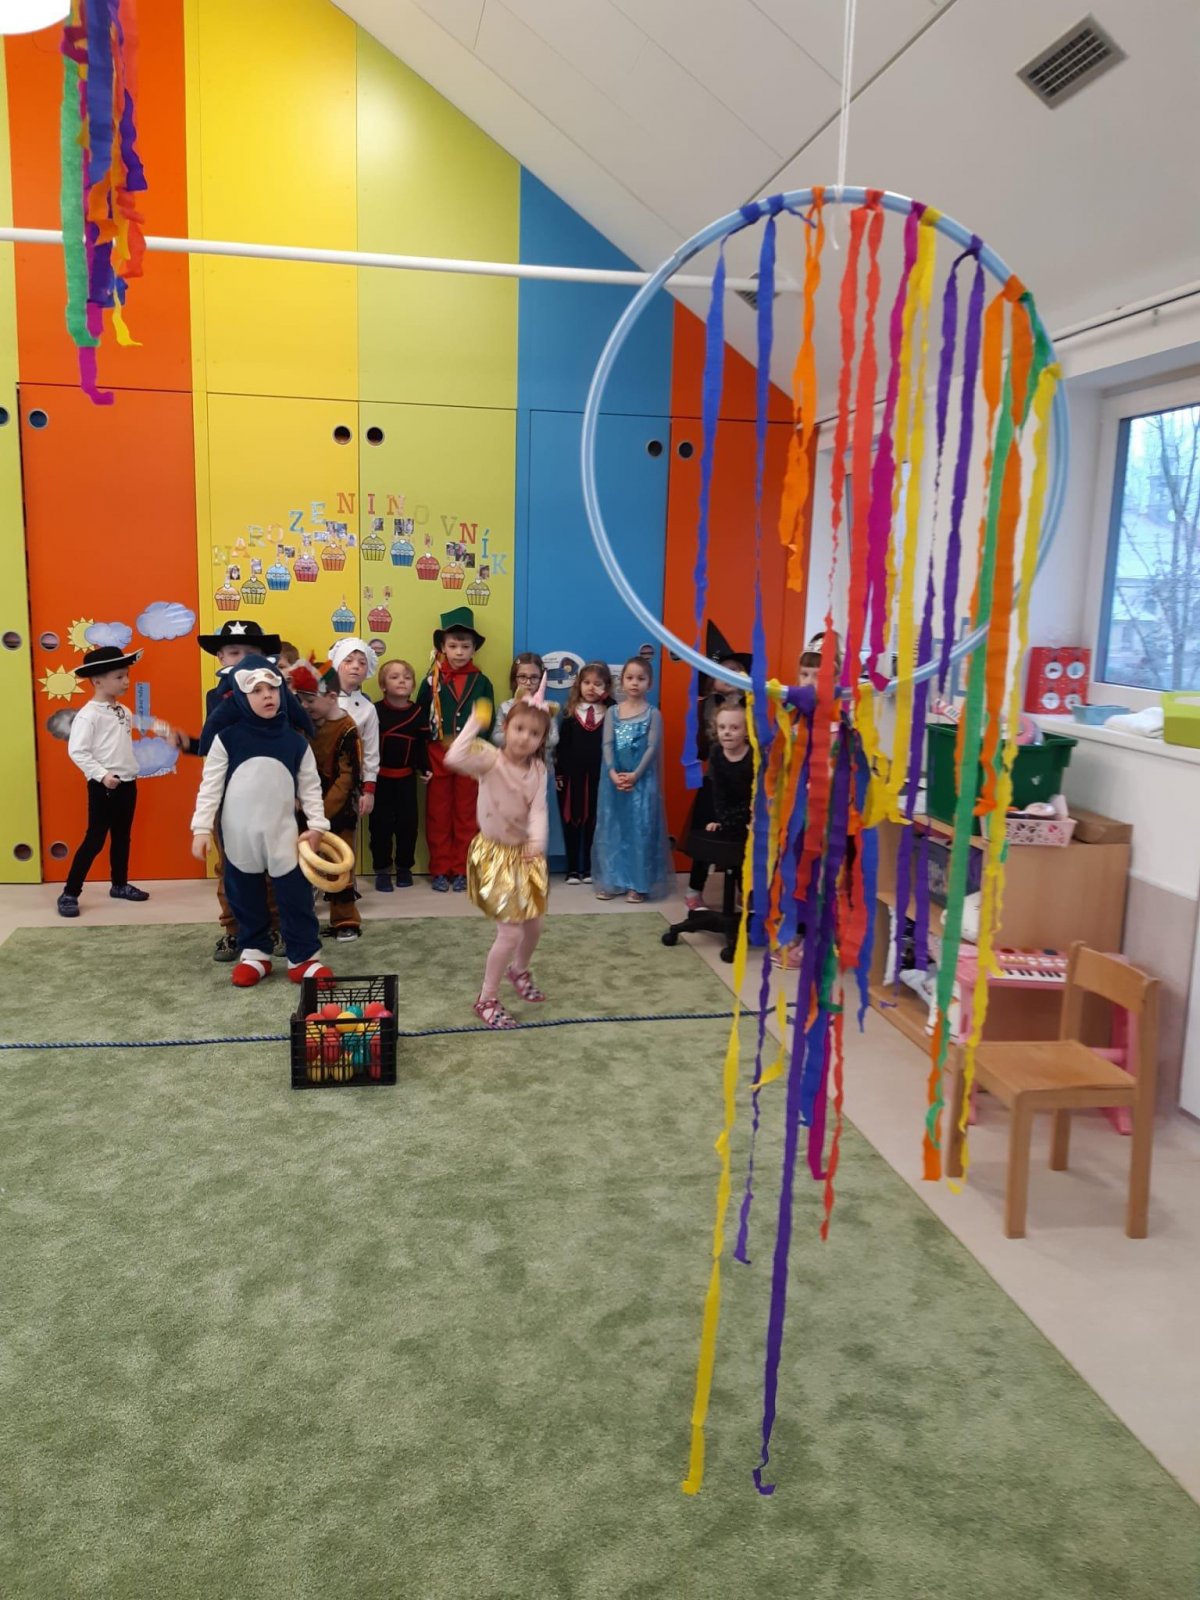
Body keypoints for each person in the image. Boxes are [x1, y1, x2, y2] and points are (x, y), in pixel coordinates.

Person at [190, 656, 333, 988]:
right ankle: (255, 953)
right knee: (244, 896)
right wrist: (201, 828)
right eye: (256, 690)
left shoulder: (295, 742)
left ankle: (304, 957)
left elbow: (310, 787)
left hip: (283, 834)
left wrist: (317, 826)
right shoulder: (226, 739)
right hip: (238, 836)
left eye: (272, 688)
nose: (267, 695)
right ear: (241, 697)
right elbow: (210, 786)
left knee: (295, 896)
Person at [182, 619, 312, 962]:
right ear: (221, 657)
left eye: (250, 652)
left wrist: (296, 790)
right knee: (232, 871)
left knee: (280, 867)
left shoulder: (276, 692)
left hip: (274, 796)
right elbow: (212, 746)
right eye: (234, 653)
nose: (242, 660)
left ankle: (277, 929)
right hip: (233, 800)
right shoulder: (217, 697)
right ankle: (236, 930)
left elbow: (295, 738)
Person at [446, 684, 552, 1030]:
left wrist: (537, 841)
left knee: (534, 926)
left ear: (542, 740)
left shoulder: (539, 771)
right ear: (505, 728)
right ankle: (486, 998)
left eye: (534, 733)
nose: (525, 738)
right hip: (495, 857)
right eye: (519, 728)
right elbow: (454, 758)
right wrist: (474, 724)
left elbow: (539, 810)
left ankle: (518, 970)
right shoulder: (489, 759)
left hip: (526, 857)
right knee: (510, 934)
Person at [57, 645, 154, 918]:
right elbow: (78, 751)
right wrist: (102, 775)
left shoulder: (123, 710)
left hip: (127, 784)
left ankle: (119, 884)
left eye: (127, 675)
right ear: (97, 681)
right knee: (95, 839)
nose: (126, 681)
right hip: (104, 787)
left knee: (122, 837)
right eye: (119, 677)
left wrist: (161, 728)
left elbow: (131, 730)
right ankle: (69, 892)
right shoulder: (88, 715)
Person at [417, 605, 494, 892]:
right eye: (453, 646)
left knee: (467, 814)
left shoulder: (482, 682)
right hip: (437, 755)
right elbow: (420, 720)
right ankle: (439, 868)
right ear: (443, 647)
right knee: (438, 815)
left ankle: (462, 869)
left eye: (465, 646)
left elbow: (487, 720)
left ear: (474, 649)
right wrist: (422, 759)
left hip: (470, 756)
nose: (459, 652)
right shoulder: (431, 680)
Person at [291, 663, 364, 940]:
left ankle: (345, 920)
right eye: (300, 700)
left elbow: (348, 778)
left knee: (339, 867)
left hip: (338, 812)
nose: (304, 706)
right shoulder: (301, 726)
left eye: (310, 700)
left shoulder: (347, 729)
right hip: (304, 809)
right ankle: (301, 920)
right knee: (301, 866)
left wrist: (320, 813)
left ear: (332, 697)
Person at [593, 657, 674, 903]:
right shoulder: (612, 712)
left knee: (640, 831)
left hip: (642, 782)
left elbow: (652, 747)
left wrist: (636, 774)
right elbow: (607, 744)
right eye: (630, 678)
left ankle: (638, 884)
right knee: (613, 829)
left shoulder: (653, 714)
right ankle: (613, 880)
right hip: (614, 782)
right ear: (622, 681)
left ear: (650, 683)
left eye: (641, 678)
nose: (635, 683)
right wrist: (612, 773)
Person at [493, 653, 562, 869]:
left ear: (541, 679)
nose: (528, 682)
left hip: (541, 772)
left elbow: (553, 738)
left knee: (538, 819)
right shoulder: (506, 707)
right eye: (522, 677)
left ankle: (536, 864)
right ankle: (511, 863)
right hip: (511, 774)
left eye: (534, 677)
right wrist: (523, 740)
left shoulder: (547, 707)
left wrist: (528, 740)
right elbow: (496, 736)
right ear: (514, 679)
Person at [686, 698, 753, 911]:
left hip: (747, 811)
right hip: (718, 808)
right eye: (722, 727)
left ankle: (746, 893)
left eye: (734, 728)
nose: (727, 733)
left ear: (746, 730)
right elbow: (717, 792)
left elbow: (755, 793)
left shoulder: (753, 755)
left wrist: (749, 819)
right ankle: (694, 890)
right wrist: (717, 819)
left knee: (747, 851)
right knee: (705, 842)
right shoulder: (716, 752)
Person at [370, 658, 430, 891]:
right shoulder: (374, 711)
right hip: (380, 780)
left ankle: (404, 868)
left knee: (408, 826)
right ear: (383, 685)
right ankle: (382, 870)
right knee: (380, 827)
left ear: (413, 685)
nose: (401, 681)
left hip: (406, 780)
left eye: (407, 677)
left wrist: (425, 768)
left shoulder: (418, 713)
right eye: (394, 677)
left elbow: (422, 746)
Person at [554, 659, 612, 885]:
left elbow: (617, 708)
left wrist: (605, 697)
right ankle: (572, 869)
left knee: (592, 822)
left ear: (606, 687)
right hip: (572, 777)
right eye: (587, 683)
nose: (591, 688)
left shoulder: (610, 712)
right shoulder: (570, 714)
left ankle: (588, 868)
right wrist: (559, 774)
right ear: (578, 685)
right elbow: (562, 748)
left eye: (598, 684)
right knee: (572, 820)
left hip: (598, 776)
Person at [328, 637, 380, 824]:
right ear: (336, 664)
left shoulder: (368, 708)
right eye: (348, 661)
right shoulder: (321, 700)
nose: (355, 666)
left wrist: (369, 791)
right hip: (320, 780)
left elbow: (371, 752)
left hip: (351, 784)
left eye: (362, 663)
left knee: (345, 835)